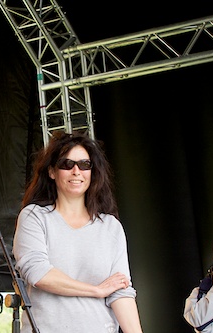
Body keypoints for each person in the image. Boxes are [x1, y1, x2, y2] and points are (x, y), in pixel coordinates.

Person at [12, 131, 144, 333]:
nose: (76, 171)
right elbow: (37, 273)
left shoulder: (110, 226)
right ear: (52, 171)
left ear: (92, 172)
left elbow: (120, 290)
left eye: (84, 164)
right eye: (67, 164)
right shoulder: (34, 217)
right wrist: (96, 290)